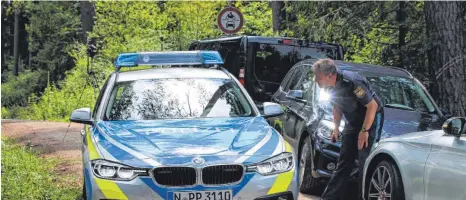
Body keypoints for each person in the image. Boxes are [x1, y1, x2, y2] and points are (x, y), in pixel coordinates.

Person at [311, 59, 384, 200]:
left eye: (317, 77)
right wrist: (336, 128)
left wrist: (364, 131)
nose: (315, 80)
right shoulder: (328, 87)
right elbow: (337, 107)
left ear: (329, 75)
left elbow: (372, 106)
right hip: (353, 121)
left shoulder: (352, 82)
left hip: (371, 120)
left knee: (365, 161)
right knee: (344, 162)